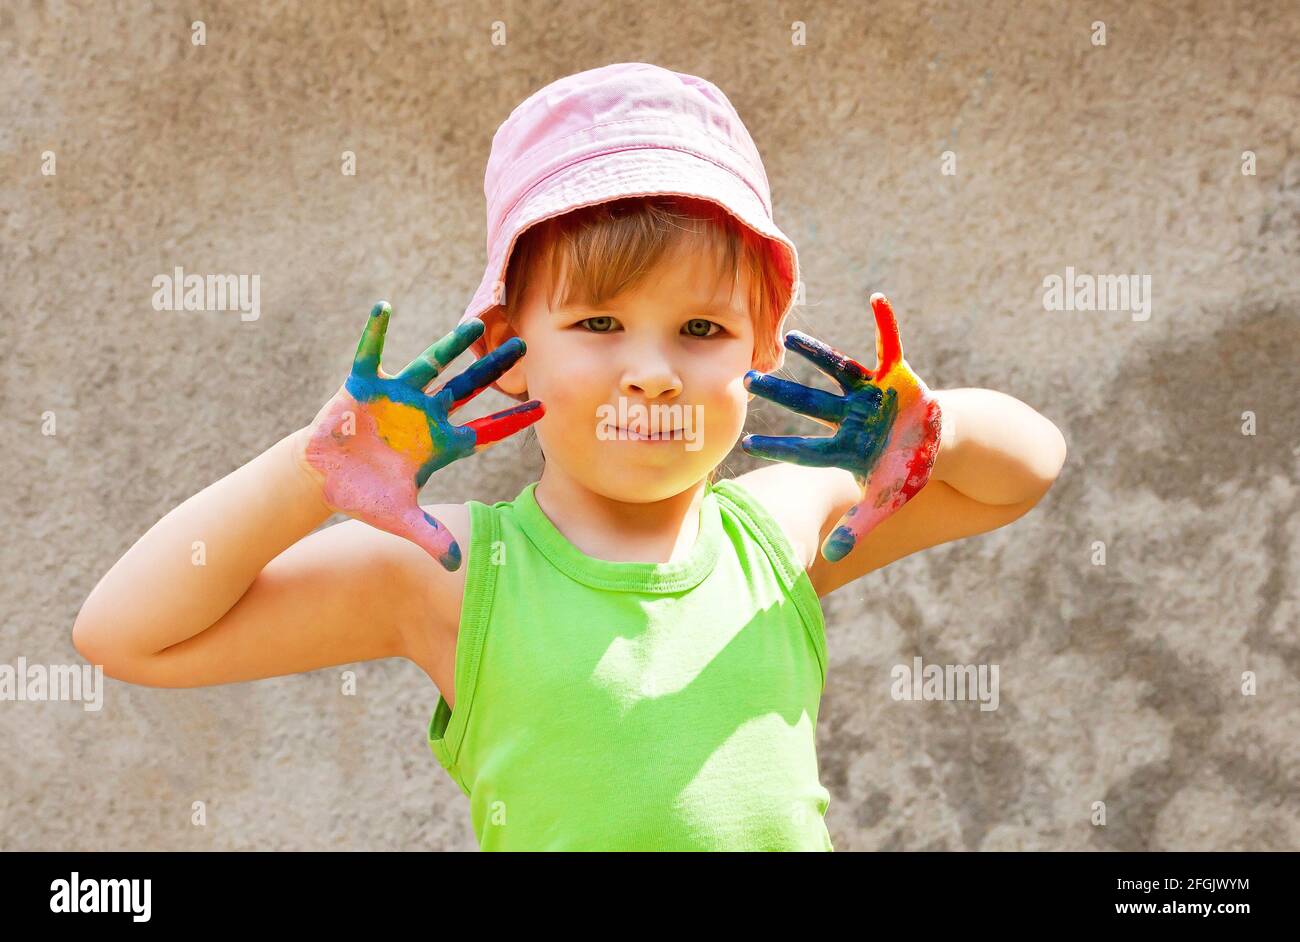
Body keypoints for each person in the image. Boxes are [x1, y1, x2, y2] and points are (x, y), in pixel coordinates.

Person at [71, 62, 1067, 851]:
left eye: (701, 329)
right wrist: (310, 469)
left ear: (764, 345)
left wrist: (937, 427)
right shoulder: (455, 577)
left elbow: (1025, 470)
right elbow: (125, 636)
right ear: (507, 345)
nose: (652, 374)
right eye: (597, 321)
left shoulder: (783, 530)